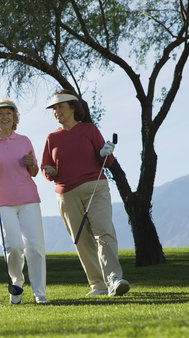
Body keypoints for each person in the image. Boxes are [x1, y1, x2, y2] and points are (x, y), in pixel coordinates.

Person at [40, 89, 130, 297]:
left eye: (60, 107)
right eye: (54, 109)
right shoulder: (51, 138)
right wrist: (49, 171)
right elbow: (47, 166)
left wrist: (105, 153)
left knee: (104, 232)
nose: (56, 112)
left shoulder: (89, 130)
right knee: (81, 240)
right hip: (66, 193)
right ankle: (98, 285)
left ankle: (114, 279)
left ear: (72, 107)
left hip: (95, 187)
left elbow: (106, 162)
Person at [0, 99, 48, 305]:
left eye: (8, 113)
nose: (4, 117)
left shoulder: (24, 140)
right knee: (14, 248)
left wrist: (31, 164)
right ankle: (17, 284)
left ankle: (39, 292)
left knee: (35, 247)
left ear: (14, 117)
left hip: (28, 199)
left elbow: (34, 171)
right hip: (2, 202)